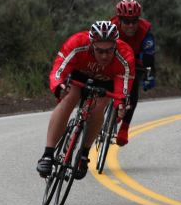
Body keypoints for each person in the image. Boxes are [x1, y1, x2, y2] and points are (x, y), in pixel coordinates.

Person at [36, 21, 135, 180]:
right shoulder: (77, 43)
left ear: (115, 46)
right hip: (79, 76)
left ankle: (83, 155)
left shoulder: (125, 55)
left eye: (109, 51)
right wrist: (59, 86)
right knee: (68, 99)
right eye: (100, 51)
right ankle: (48, 155)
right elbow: (58, 70)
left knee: (97, 108)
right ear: (91, 44)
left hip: (106, 81)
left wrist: (121, 104)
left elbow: (123, 89)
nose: (104, 56)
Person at [109, 0, 156, 146]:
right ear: (119, 20)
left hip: (134, 62)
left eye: (134, 21)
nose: (131, 26)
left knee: (133, 88)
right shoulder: (111, 28)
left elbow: (149, 57)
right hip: (114, 57)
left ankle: (124, 128)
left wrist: (150, 74)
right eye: (126, 21)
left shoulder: (145, 30)